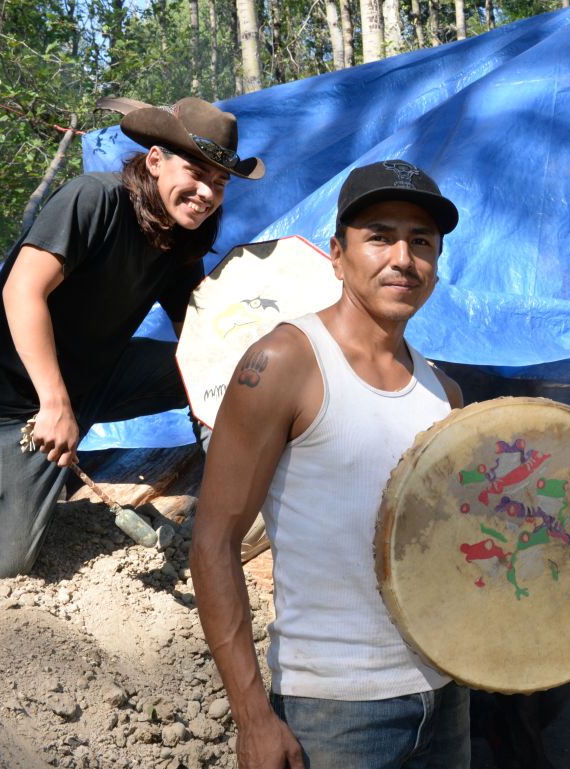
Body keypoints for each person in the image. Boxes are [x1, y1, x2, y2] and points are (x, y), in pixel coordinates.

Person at [190, 159, 469, 769]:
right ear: (337, 255)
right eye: (380, 236)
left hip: (445, 699)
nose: (403, 257)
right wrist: (252, 717)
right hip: (334, 713)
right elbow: (212, 542)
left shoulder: (444, 394)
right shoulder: (284, 362)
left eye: (421, 241)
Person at [0, 96, 264, 578]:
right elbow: (21, 290)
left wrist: (242, 381)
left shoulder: (179, 236)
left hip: (98, 378)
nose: (206, 193)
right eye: (195, 173)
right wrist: (54, 403)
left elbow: (199, 335)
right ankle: (8, 470)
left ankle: (233, 502)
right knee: (7, 561)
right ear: (155, 161)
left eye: (219, 183)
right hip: (7, 403)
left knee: (225, 372)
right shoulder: (94, 198)